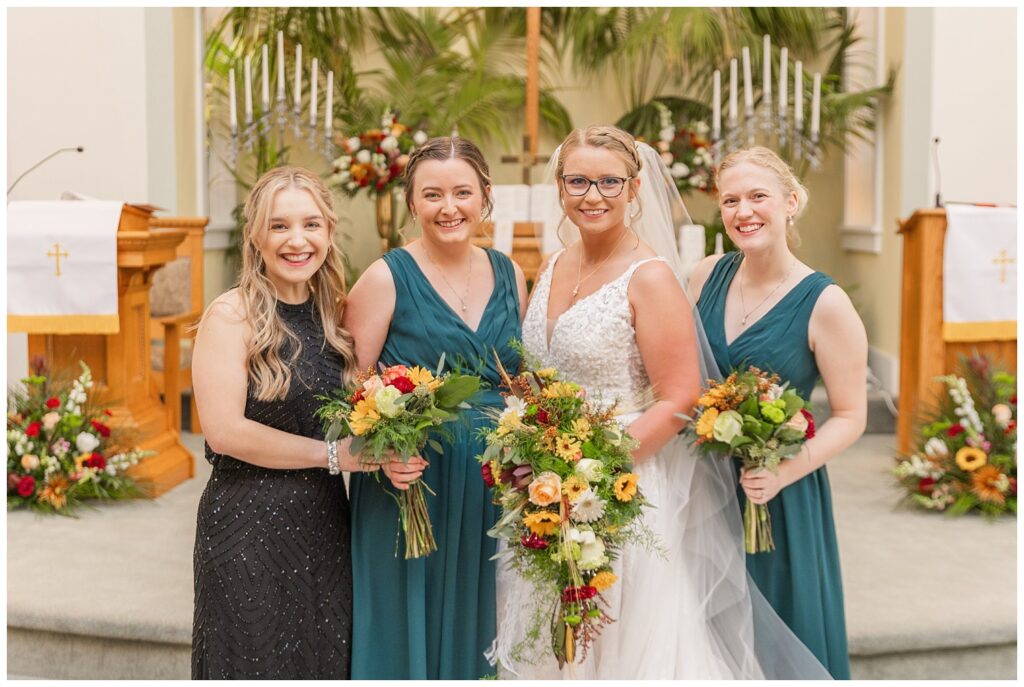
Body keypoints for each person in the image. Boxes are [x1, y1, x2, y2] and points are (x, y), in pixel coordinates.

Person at [494, 126, 831, 679]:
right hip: (549, 482)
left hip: (621, 483)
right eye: (578, 181)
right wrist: (527, 445)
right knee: (554, 636)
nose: (593, 195)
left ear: (633, 190)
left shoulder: (649, 277)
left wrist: (592, 468)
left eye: (609, 181)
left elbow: (680, 398)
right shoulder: (552, 264)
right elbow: (537, 376)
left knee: (620, 641)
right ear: (560, 188)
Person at [190, 166, 408, 679]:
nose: (297, 240)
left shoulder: (334, 316)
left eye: (311, 224)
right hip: (246, 525)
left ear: (329, 233)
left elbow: (360, 405)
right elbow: (225, 431)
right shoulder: (231, 316)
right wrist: (335, 456)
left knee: (323, 660)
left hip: (326, 525)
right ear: (256, 237)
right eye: (279, 225)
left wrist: (396, 437)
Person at [342, 136, 528, 679]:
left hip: (491, 479)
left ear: (485, 197)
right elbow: (351, 382)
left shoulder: (509, 272)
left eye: (462, 192)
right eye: (433, 194)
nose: (449, 208)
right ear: (413, 203)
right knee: (407, 616)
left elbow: (515, 376)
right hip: (411, 478)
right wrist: (385, 445)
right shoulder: (384, 277)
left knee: (482, 615)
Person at [690, 146, 868, 679]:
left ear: (791, 203)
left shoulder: (825, 302)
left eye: (758, 196)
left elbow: (851, 415)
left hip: (778, 495)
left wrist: (782, 472)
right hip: (703, 486)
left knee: (782, 632)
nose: (743, 211)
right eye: (730, 200)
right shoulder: (703, 276)